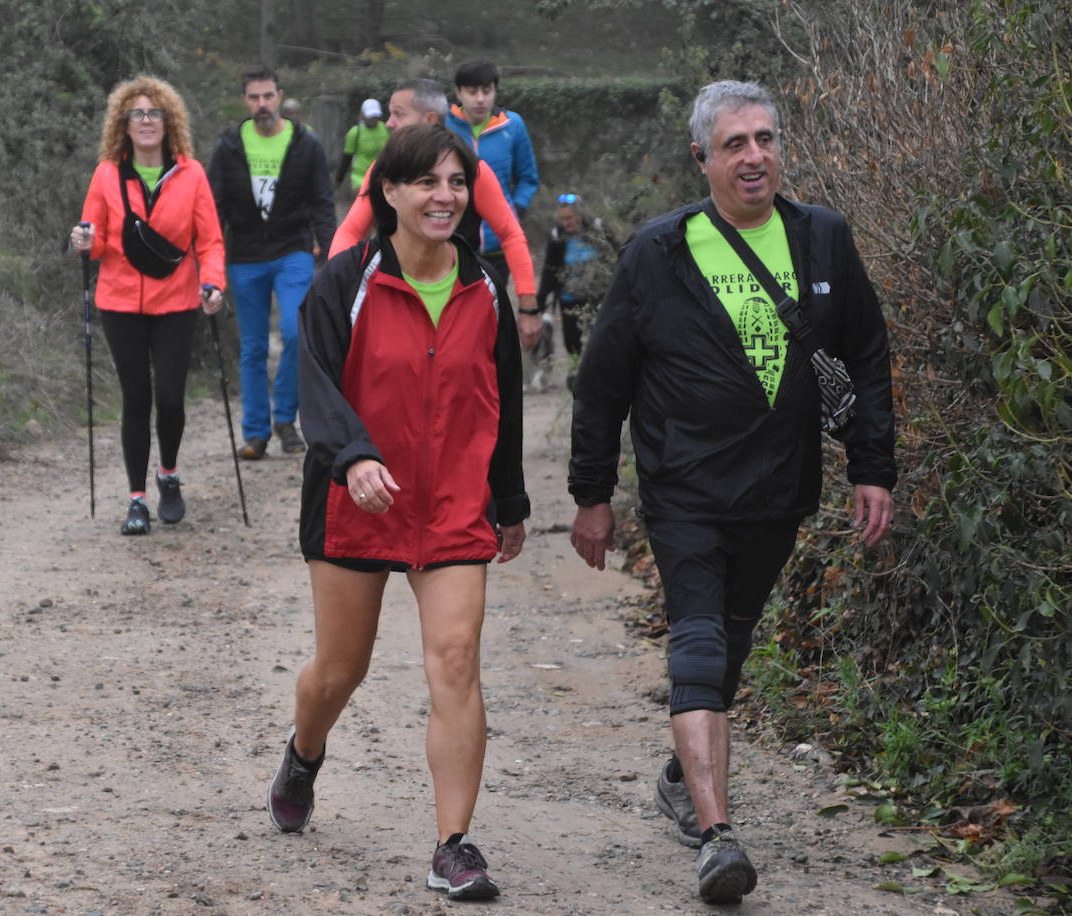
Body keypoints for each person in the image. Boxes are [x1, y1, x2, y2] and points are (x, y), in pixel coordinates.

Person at [567, 80, 896, 904]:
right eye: (736, 144)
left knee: (733, 644)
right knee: (702, 643)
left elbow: (866, 353)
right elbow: (603, 384)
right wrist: (593, 492)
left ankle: (685, 774)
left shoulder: (823, 239)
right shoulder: (660, 252)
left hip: (779, 492)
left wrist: (871, 465)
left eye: (766, 139)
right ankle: (718, 837)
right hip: (684, 490)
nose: (755, 157)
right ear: (702, 158)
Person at [267, 124, 529, 902]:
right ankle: (304, 752)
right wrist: (355, 456)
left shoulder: (483, 289)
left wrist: (508, 501)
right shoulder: (342, 283)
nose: (443, 197)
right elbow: (315, 386)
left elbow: (501, 403)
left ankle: (453, 845)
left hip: (451, 507)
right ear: (389, 191)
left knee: (455, 661)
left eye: (456, 182)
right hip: (354, 505)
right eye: (427, 182)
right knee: (339, 671)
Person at [70, 76, 225, 533]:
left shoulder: (191, 174)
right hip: (119, 302)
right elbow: (94, 243)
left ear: (168, 120)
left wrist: (213, 284)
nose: (145, 121)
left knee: (172, 398)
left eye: (153, 113)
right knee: (136, 398)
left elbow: (210, 241)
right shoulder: (106, 174)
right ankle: (136, 499)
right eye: (135, 113)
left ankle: (169, 474)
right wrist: (84, 241)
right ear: (123, 124)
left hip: (177, 300)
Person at [330, 78, 543, 351]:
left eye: (398, 114)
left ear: (428, 119)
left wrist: (528, 305)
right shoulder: (383, 169)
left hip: (460, 300)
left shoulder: (473, 170)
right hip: (393, 297)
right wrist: (335, 288)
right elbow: (350, 230)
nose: (389, 123)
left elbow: (510, 233)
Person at [208, 68, 336, 460]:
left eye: (267, 96)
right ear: (244, 101)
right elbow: (213, 207)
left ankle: (286, 419)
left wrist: (331, 255)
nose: (261, 104)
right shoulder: (229, 146)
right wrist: (208, 259)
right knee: (252, 347)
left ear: (280, 96)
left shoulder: (305, 144)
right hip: (246, 255)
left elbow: (322, 202)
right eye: (253, 97)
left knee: (296, 333)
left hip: (292, 250)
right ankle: (256, 433)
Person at [444, 60, 539, 294]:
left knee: (493, 312)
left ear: (495, 91)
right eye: (472, 91)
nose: (480, 99)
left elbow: (528, 177)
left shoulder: (513, 125)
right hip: (451, 241)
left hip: (498, 245)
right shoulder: (442, 124)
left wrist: (515, 210)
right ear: (458, 92)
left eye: (487, 91)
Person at [536, 193, 619, 358]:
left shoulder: (598, 229)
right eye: (563, 219)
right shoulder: (557, 237)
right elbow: (549, 271)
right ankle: (576, 374)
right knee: (572, 345)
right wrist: (539, 303)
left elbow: (618, 256)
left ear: (580, 215)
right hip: (569, 301)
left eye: (570, 218)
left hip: (598, 298)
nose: (566, 223)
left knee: (601, 343)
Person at [336, 98, 388, 192]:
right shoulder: (355, 132)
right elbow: (347, 157)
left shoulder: (385, 128)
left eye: (375, 115)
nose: (373, 119)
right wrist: (339, 179)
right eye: (370, 116)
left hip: (381, 177)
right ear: (363, 115)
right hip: (360, 178)